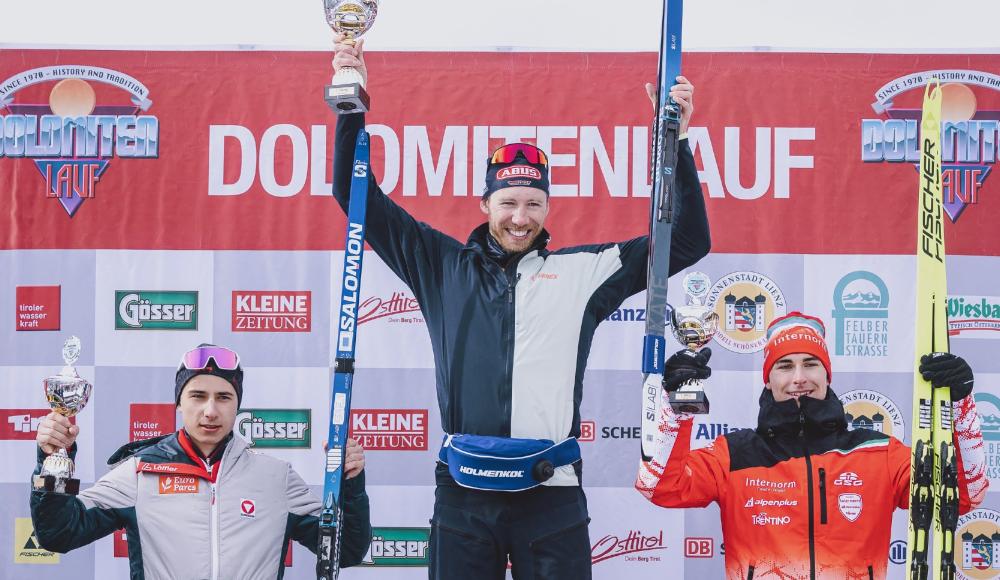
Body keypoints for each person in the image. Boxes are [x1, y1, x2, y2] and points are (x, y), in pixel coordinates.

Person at [331, 37, 711, 579]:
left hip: (549, 494)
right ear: (485, 204)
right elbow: (352, 189)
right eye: (507, 202)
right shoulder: (440, 265)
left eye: (533, 203)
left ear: (548, 207)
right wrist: (352, 101)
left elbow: (690, 239)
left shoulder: (587, 272)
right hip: (465, 494)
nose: (519, 217)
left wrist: (675, 140)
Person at [636, 312, 989, 580]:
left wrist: (960, 407)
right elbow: (660, 487)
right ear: (769, 378)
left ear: (827, 374)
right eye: (785, 366)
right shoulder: (735, 453)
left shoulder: (877, 452)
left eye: (811, 364)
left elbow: (964, 494)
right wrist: (674, 409)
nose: (799, 378)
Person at [30, 344, 371, 579]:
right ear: (179, 403)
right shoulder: (141, 471)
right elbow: (58, 533)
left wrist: (351, 484)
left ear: (238, 405)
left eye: (224, 397)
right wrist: (52, 459)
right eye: (197, 396)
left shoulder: (275, 478)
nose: (210, 411)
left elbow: (348, 551)